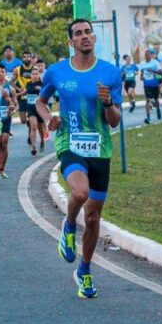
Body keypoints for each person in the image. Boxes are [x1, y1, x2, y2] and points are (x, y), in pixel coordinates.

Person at [36, 19, 122, 299]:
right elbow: (40, 102)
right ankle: (69, 223)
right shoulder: (57, 72)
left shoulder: (110, 73)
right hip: (69, 142)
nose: (83, 37)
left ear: (94, 38)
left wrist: (108, 102)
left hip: (100, 149)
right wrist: (49, 119)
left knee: (95, 218)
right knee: (80, 191)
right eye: (77, 34)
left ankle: (84, 271)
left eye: (87, 32)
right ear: (71, 42)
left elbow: (113, 122)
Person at [0, 64, 17, 179]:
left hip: (6, 119)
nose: (0, 74)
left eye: (2, 71)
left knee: (4, 143)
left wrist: (12, 110)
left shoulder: (10, 88)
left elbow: (15, 104)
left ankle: (1, 168)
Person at [139, 49, 162, 124]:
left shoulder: (155, 62)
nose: (146, 56)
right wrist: (141, 77)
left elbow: (161, 72)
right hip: (147, 85)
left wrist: (153, 71)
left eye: (148, 54)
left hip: (155, 84)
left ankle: (158, 108)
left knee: (156, 100)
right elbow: (141, 75)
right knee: (148, 100)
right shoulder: (142, 64)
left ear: (150, 55)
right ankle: (148, 117)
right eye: (145, 55)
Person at [25, 69, 46, 155]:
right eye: (33, 74)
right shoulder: (28, 84)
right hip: (30, 108)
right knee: (33, 126)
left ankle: (42, 140)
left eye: (36, 74)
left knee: (41, 128)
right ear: (31, 76)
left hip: (39, 108)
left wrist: (41, 89)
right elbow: (26, 92)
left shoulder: (42, 84)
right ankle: (33, 147)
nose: (34, 75)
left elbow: (46, 95)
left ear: (38, 75)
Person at [13, 51, 35, 133]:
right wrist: (18, 89)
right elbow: (11, 82)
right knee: (23, 120)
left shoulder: (34, 69)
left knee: (31, 117)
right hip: (22, 98)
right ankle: (29, 123)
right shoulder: (17, 70)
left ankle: (30, 135)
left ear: (31, 58)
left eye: (28, 56)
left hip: (32, 97)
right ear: (22, 58)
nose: (26, 58)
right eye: (24, 57)